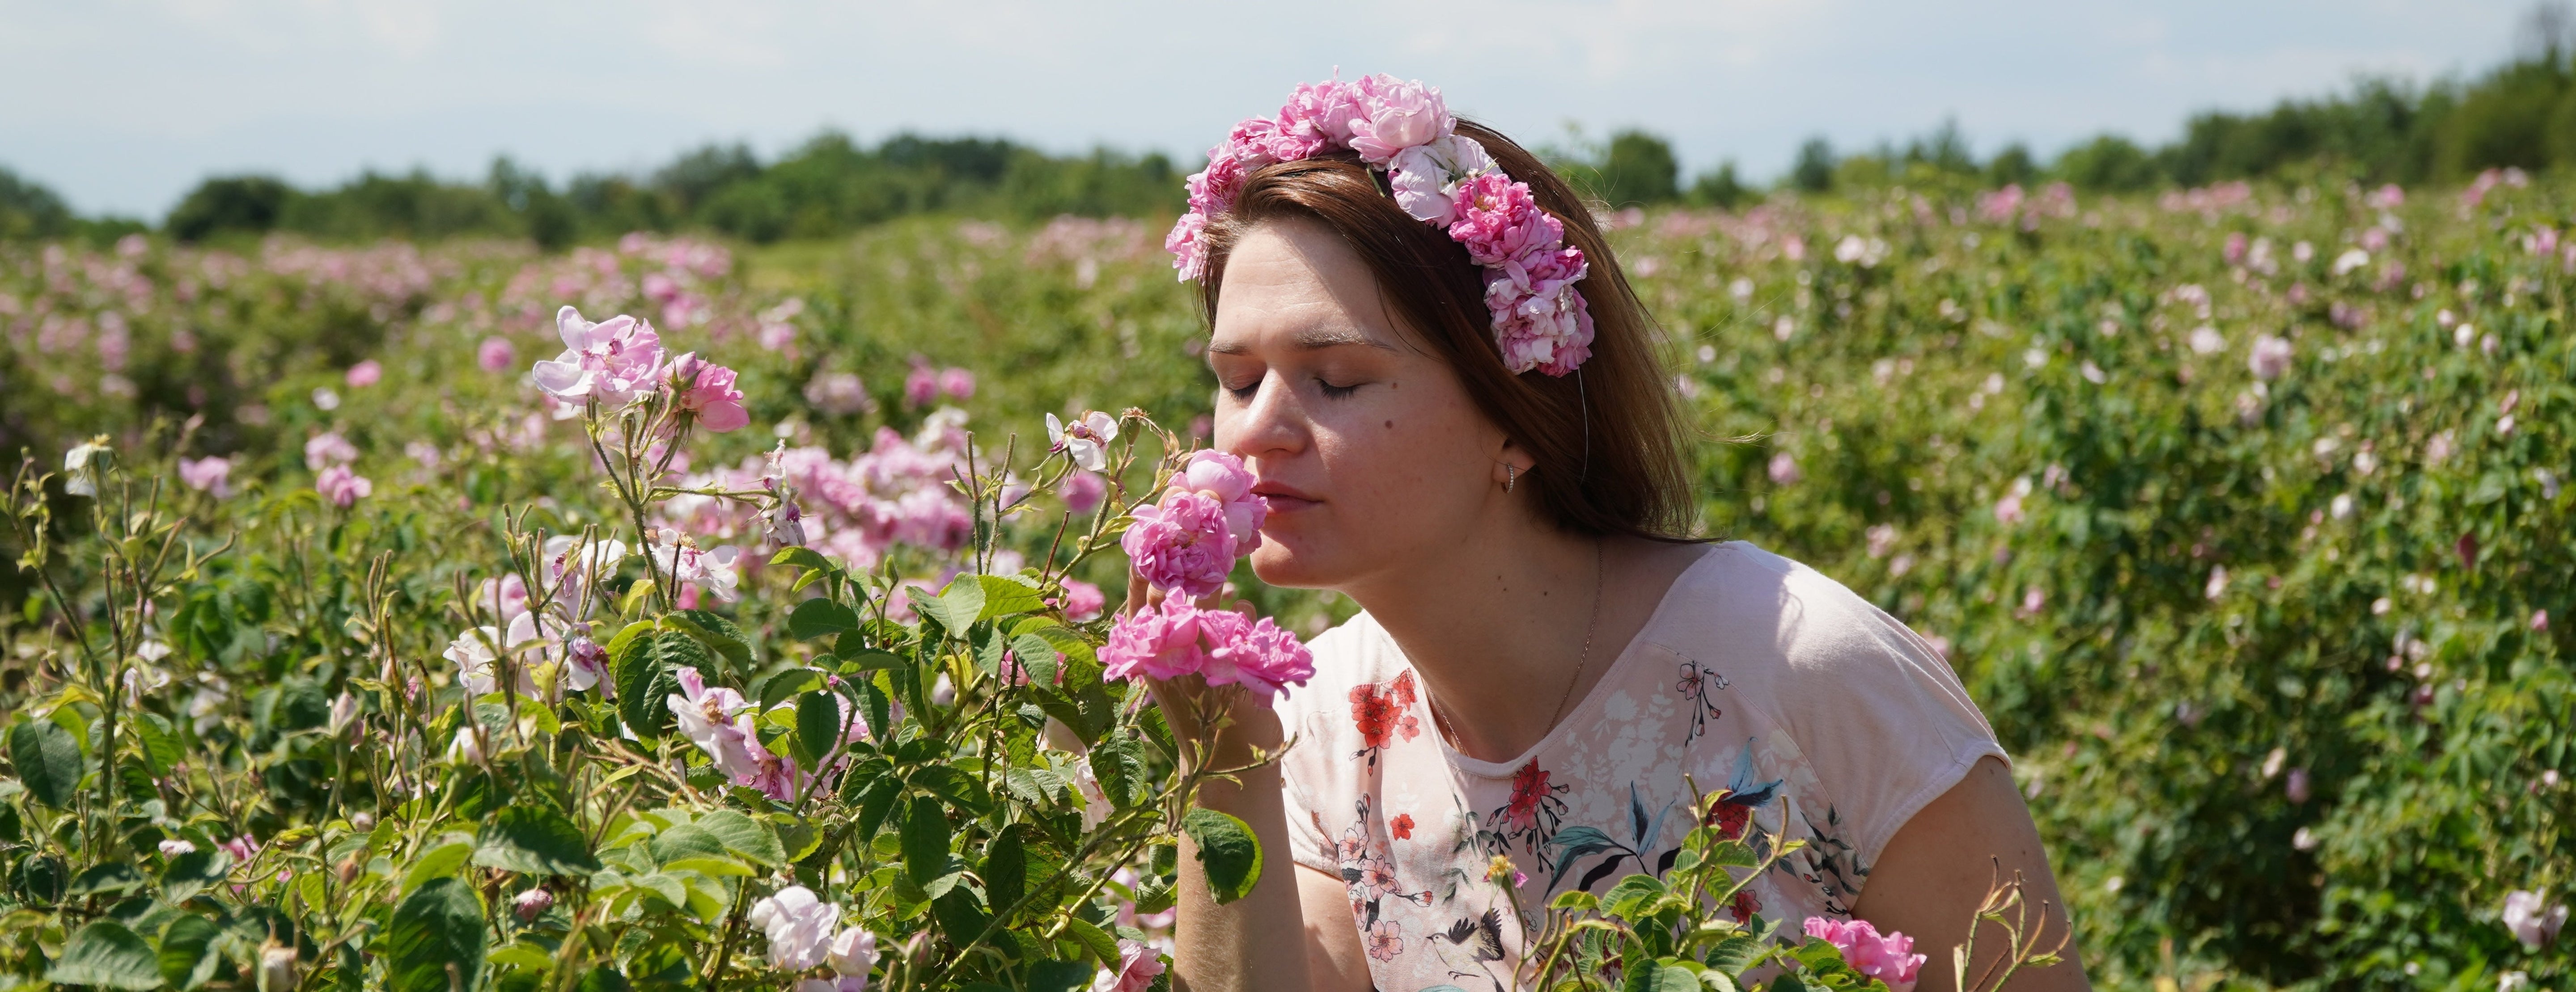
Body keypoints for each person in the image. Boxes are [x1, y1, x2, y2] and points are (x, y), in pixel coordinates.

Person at [1140, 75, 2090, 992]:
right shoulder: (1316, 735)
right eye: (1235, 380)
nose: (1257, 429)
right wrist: (1221, 768)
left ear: (1514, 413)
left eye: (1336, 378)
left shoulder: (1805, 674)